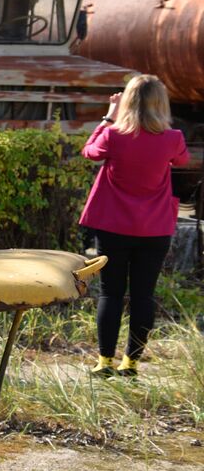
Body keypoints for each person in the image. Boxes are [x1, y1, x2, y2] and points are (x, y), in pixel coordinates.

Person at [79, 75, 191, 377]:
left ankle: (104, 363)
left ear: (128, 101)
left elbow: (89, 152)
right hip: (155, 230)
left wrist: (108, 116)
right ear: (161, 103)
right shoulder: (173, 138)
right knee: (144, 295)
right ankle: (131, 363)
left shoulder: (114, 135)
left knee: (110, 293)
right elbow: (181, 160)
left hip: (112, 226)